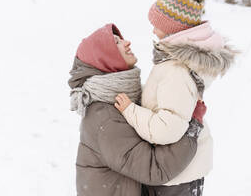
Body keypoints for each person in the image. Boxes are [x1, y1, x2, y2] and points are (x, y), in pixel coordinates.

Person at [114, 0, 238, 195]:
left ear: (173, 28)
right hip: (179, 169)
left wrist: (130, 111)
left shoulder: (176, 70)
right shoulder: (178, 64)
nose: (153, 30)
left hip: (176, 175)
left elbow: (166, 129)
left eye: (157, 25)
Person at [69, 23, 206, 196]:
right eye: (117, 43)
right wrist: (192, 126)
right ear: (104, 58)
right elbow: (154, 168)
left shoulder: (118, 98)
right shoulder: (105, 117)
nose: (127, 43)